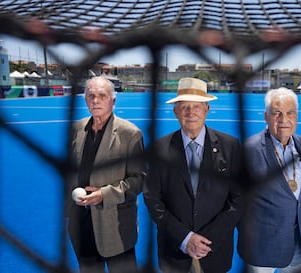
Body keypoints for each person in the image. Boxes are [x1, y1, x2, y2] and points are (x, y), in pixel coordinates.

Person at [143, 77, 244, 273]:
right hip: (174, 250)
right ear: (175, 111)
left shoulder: (230, 146)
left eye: (196, 106)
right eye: (184, 107)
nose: (191, 113)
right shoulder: (158, 149)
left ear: (207, 109)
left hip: (215, 251)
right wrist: (185, 238)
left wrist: (207, 240)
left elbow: (239, 198)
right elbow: (153, 199)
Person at [66, 76, 146, 273]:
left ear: (113, 100)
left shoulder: (130, 133)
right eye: (91, 95)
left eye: (102, 95)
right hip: (82, 224)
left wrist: (104, 194)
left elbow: (139, 180)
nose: (95, 100)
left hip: (115, 228)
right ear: (85, 99)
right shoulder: (76, 129)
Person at [237, 87, 301, 273]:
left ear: (297, 116)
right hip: (261, 244)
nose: (284, 120)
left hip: (297, 240)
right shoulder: (249, 149)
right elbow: (235, 199)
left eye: (290, 113)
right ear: (266, 117)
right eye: (276, 113)